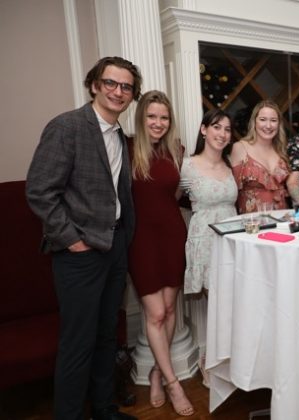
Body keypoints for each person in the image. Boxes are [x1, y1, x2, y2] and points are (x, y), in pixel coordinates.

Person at [25, 56, 142, 420]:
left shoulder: (119, 135)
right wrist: (72, 240)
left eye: (126, 87)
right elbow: (39, 191)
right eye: (111, 83)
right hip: (80, 255)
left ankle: (105, 409)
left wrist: (123, 239)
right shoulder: (68, 126)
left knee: (107, 335)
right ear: (94, 85)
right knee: (78, 343)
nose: (118, 92)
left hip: (114, 247)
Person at [126, 91, 194, 417]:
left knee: (168, 310)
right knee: (154, 314)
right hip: (140, 240)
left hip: (172, 235)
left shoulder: (176, 150)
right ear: (141, 117)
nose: (158, 123)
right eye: (152, 116)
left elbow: (178, 195)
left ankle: (156, 371)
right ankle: (173, 383)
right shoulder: (126, 148)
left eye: (164, 117)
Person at [181, 109, 237, 294]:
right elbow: (171, 199)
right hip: (205, 241)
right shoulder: (187, 166)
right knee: (215, 301)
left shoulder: (230, 164)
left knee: (234, 299)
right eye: (217, 127)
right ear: (204, 130)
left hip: (231, 239)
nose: (222, 134)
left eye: (227, 129)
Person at [230, 100, 295, 213]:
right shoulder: (240, 148)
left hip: (281, 218)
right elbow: (231, 191)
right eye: (263, 119)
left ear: (279, 124)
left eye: (273, 120)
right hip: (252, 220)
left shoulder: (281, 150)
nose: (268, 125)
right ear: (254, 122)